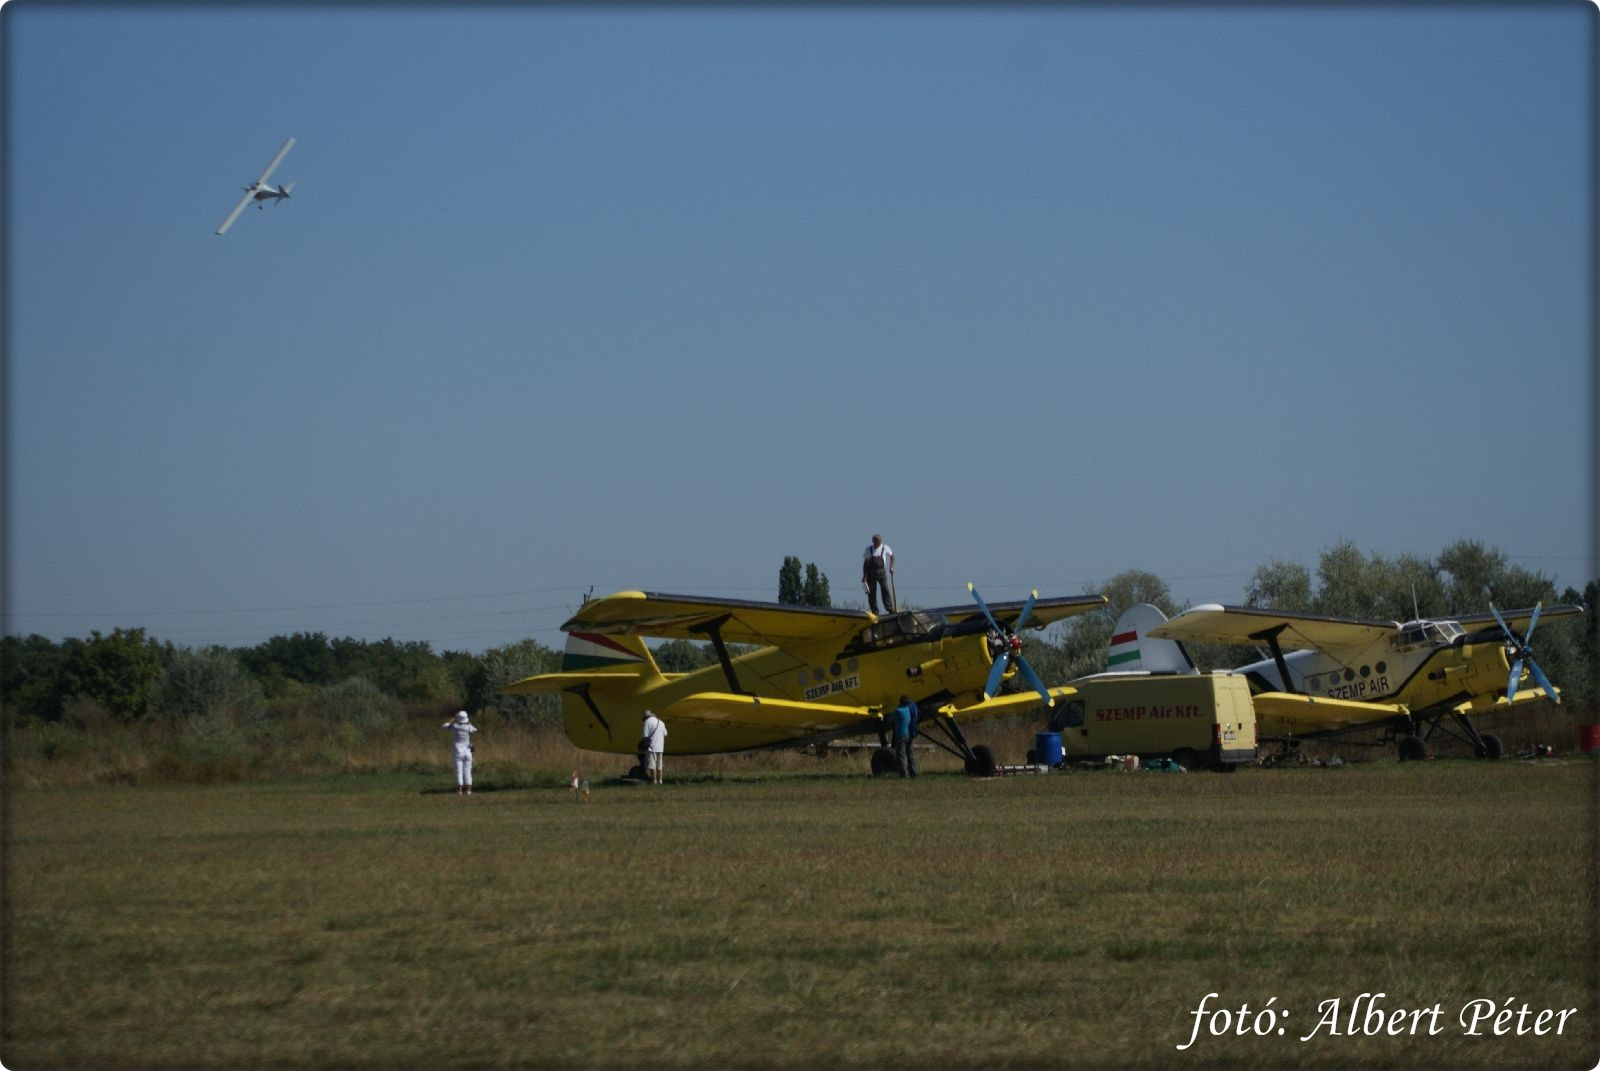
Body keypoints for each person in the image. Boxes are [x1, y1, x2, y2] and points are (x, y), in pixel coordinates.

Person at [443, 710, 477, 795]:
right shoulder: (469, 727)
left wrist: (453, 719)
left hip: (458, 752)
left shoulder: (455, 726)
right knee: (468, 770)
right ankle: (469, 790)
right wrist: (468, 722)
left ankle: (459, 790)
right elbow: (475, 729)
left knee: (458, 771)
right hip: (468, 752)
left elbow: (444, 726)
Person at [862, 534, 895, 614]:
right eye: (875, 541)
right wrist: (864, 576)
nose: (877, 543)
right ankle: (875, 611)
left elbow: (892, 556)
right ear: (873, 541)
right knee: (872, 592)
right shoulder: (869, 549)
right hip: (871, 572)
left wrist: (891, 567)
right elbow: (866, 563)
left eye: (878, 541)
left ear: (880, 541)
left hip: (881, 572)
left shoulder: (884, 548)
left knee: (885, 589)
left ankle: (890, 608)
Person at [891, 694, 919, 778]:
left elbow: (890, 719)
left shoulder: (898, 711)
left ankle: (903, 774)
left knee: (901, 755)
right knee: (910, 754)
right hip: (909, 734)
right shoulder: (909, 710)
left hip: (900, 735)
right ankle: (913, 772)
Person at [642, 709, 668, 784]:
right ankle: (660, 780)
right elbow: (665, 733)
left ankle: (654, 780)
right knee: (659, 765)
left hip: (651, 747)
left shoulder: (647, 722)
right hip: (660, 747)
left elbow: (645, 735)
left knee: (652, 765)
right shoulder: (661, 722)